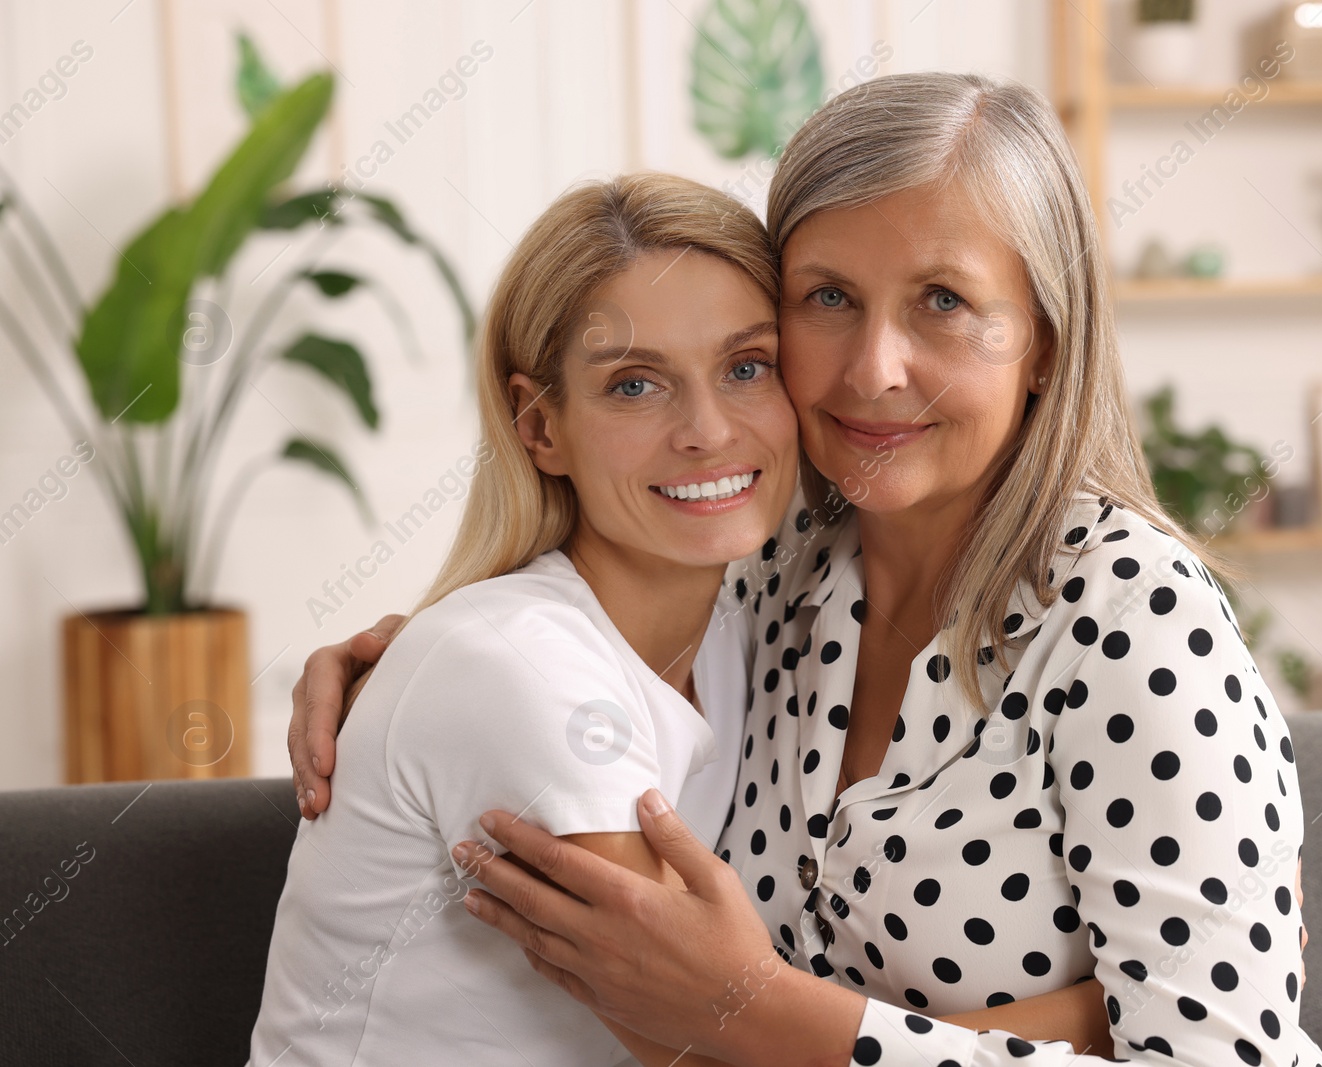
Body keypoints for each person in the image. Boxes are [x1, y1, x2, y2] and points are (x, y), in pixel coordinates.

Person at [290, 74, 1322, 1067]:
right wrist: (414, 662)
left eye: (943, 301)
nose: (874, 366)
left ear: (1045, 342)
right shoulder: (770, 577)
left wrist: (756, 1007)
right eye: (828, 296)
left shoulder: (1129, 614)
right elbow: (567, 651)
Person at [257, 170, 1114, 1067]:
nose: (707, 430)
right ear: (540, 426)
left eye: (747, 367)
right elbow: (735, 1046)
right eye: (635, 386)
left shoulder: (759, 633)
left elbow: (774, 1028)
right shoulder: (521, 675)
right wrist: (1108, 1009)